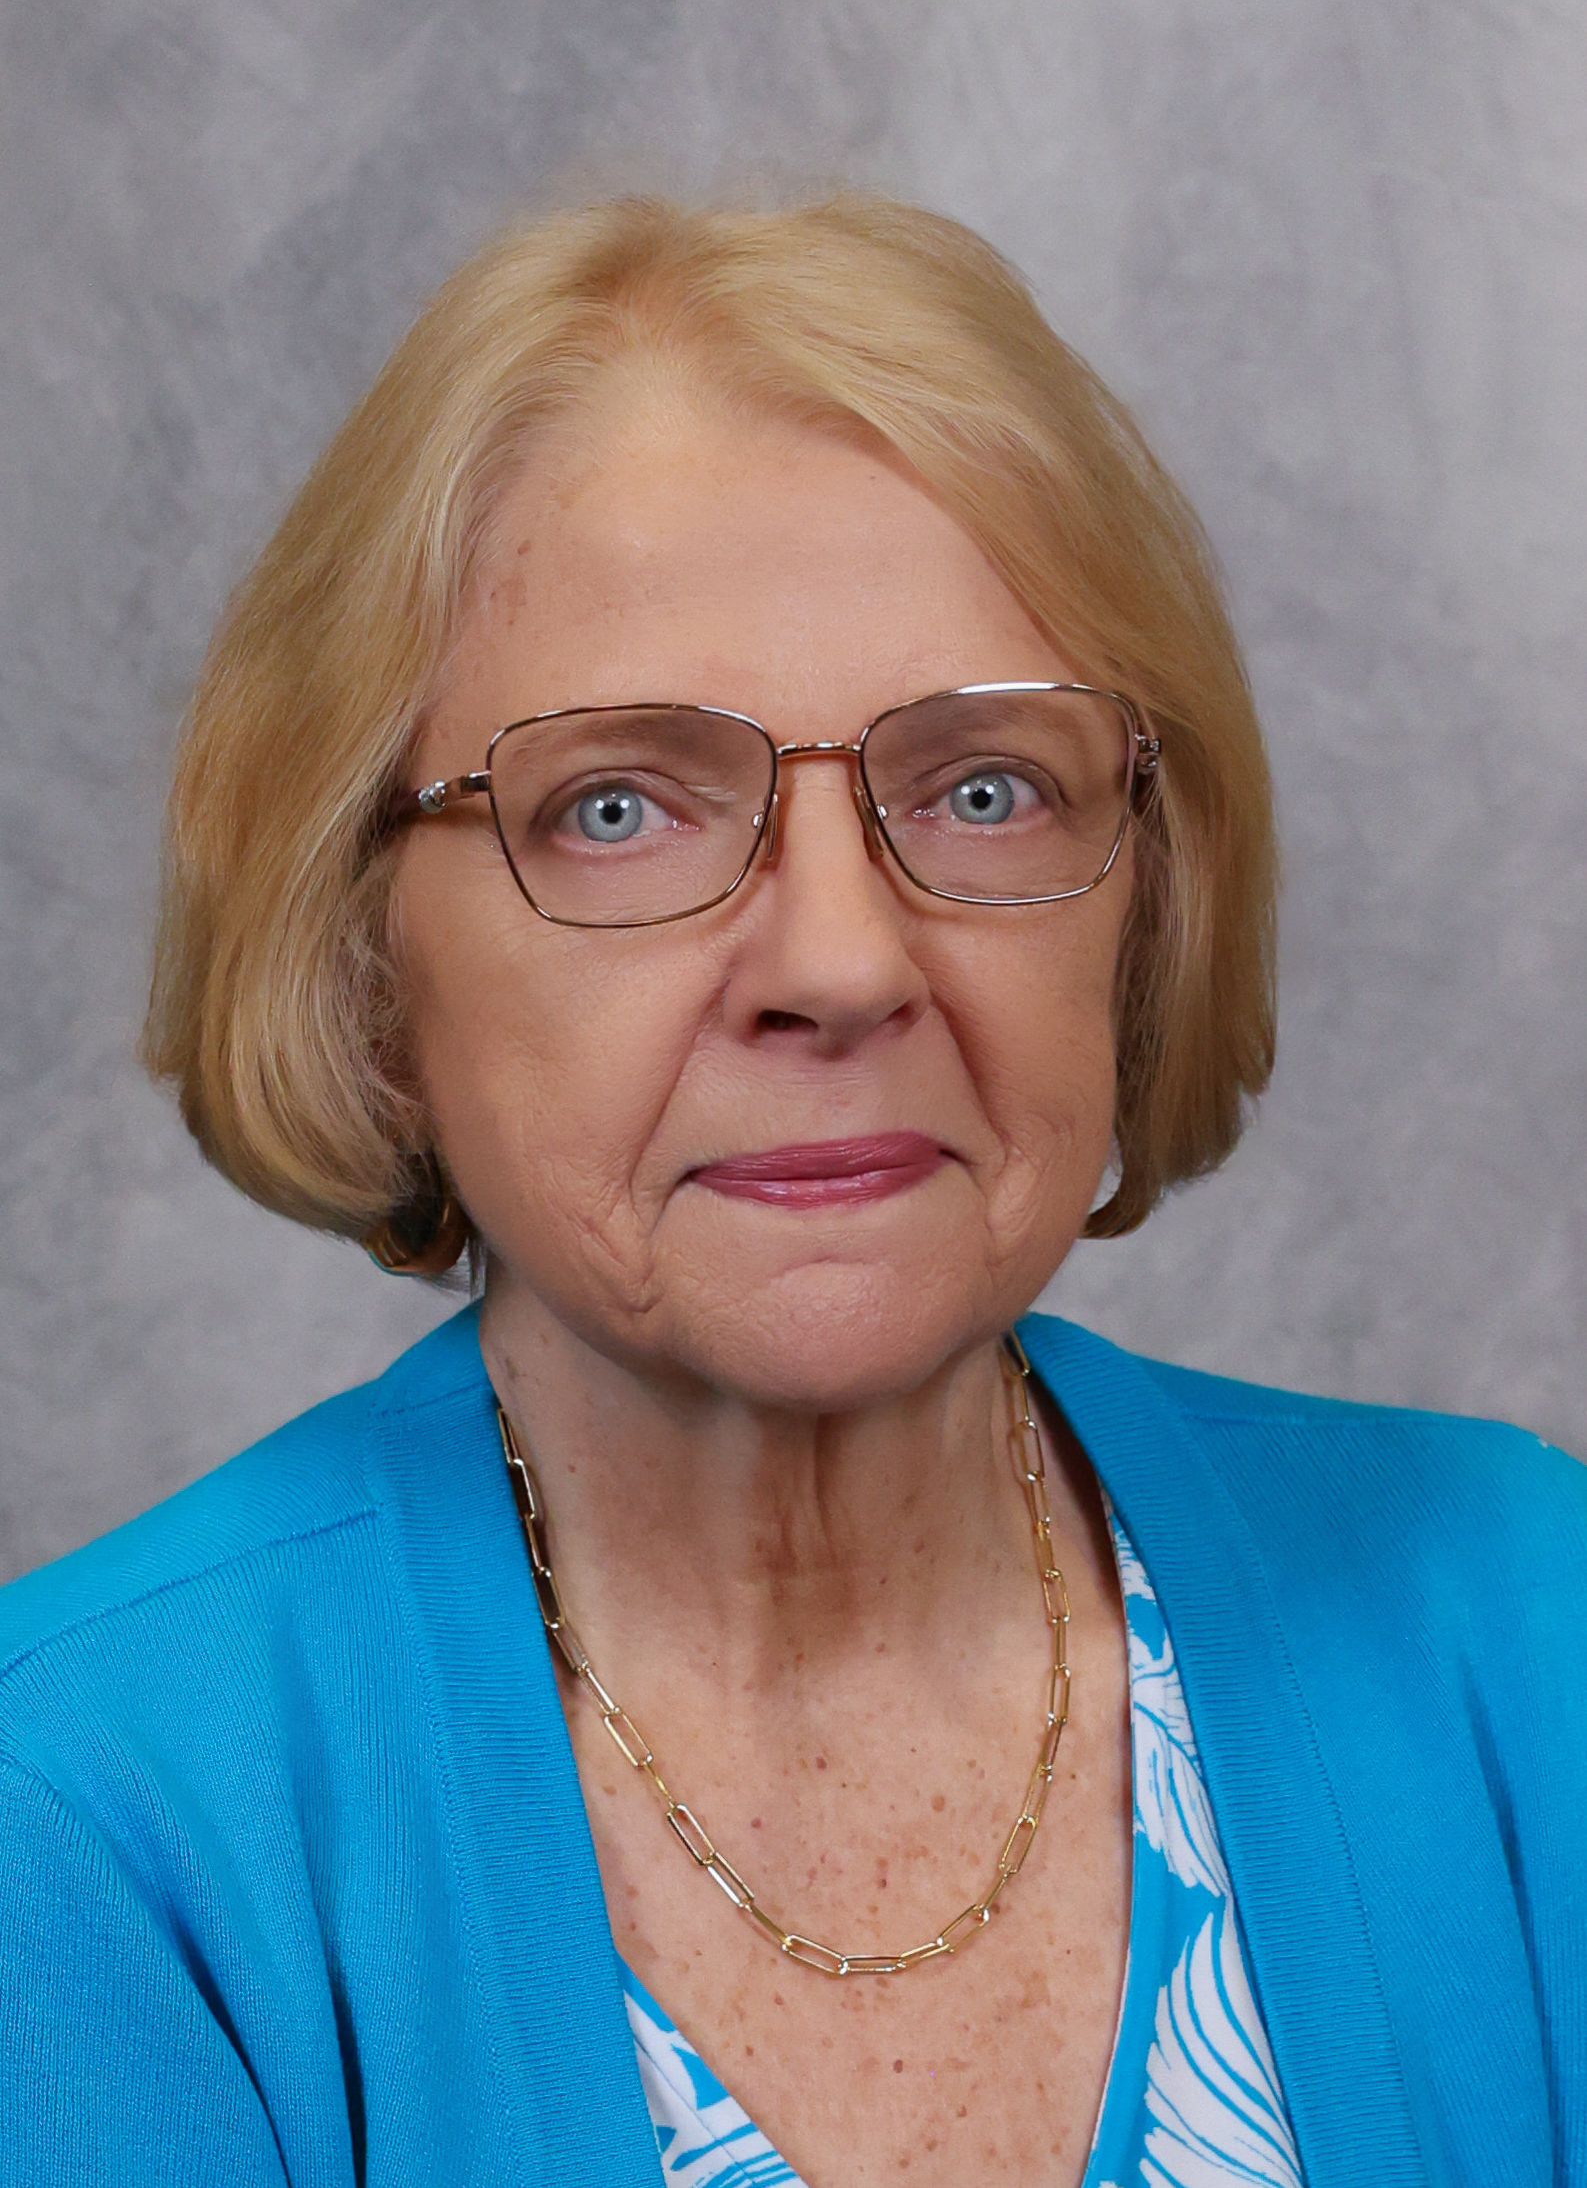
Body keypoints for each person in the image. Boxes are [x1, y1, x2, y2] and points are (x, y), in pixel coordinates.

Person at [0, 194, 1581, 2188]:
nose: (841, 962)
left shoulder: (1531, 1624)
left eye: (982, 789)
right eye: (617, 805)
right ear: (368, 965)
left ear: (1145, 900)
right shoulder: (79, 1824)